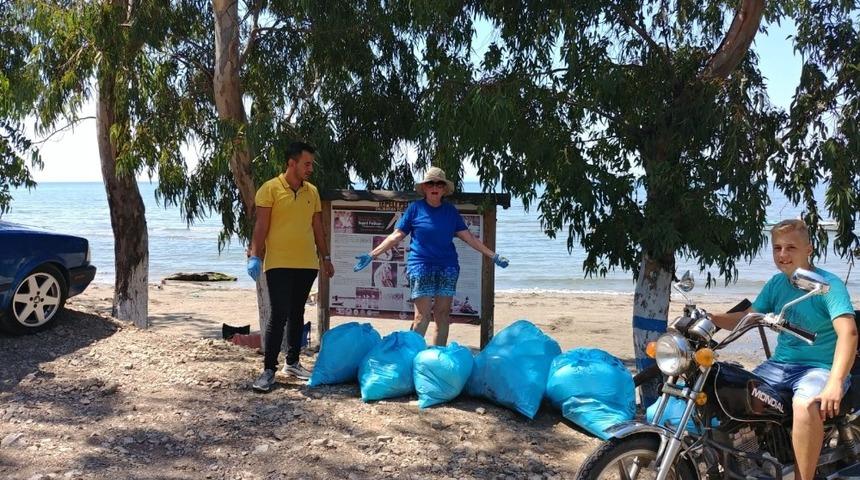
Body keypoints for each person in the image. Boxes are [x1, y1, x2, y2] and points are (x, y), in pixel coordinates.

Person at [710, 219, 856, 480]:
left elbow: (849, 332)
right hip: (780, 366)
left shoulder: (827, 285)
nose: (783, 255)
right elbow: (748, 316)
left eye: (790, 248)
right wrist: (709, 319)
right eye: (777, 248)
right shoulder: (777, 284)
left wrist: (835, 381)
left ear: (809, 249)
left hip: (819, 368)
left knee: (805, 404)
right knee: (733, 390)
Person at [353, 166, 509, 346]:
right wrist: (372, 255)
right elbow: (397, 235)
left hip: (447, 267)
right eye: (430, 183)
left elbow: (469, 238)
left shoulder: (450, 211)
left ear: (444, 189)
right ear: (425, 188)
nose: (435, 186)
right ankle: (410, 357)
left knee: (442, 315)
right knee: (422, 316)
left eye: (439, 183)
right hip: (420, 267)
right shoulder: (415, 209)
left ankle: (437, 359)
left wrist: (493, 255)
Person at [247, 141, 335, 393]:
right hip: (279, 263)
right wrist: (255, 256)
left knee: (297, 312)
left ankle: (293, 362)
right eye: (306, 164)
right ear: (291, 163)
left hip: (307, 263)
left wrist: (325, 257)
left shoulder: (312, 192)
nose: (310, 168)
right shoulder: (271, 189)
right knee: (279, 313)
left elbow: (317, 227)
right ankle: (268, 370)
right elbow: (261, 226)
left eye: (311, 164)